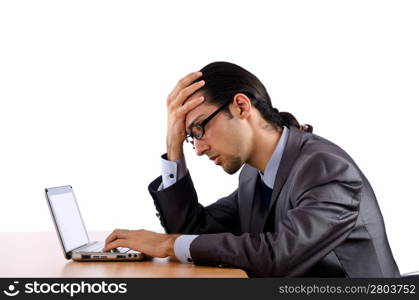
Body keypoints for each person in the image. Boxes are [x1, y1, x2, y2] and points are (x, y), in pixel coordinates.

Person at [103, 61, 400, 277]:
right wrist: (173, 145)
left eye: (200, 128)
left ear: (241, 107)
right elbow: (193, 232)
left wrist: (168, 244)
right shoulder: (254, 175)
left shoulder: (325, 169)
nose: (199, 148)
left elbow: (278, 256)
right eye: (190, 138)